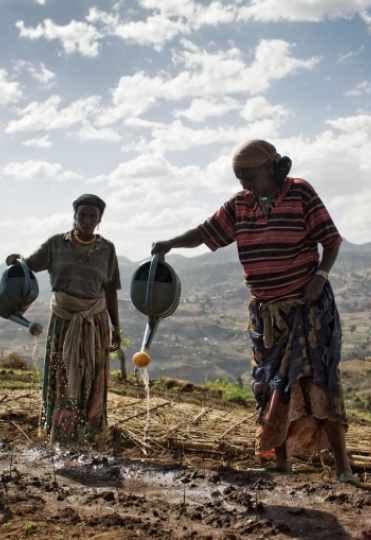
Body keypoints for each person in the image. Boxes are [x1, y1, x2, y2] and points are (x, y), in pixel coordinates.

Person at [151, 140, 359, 485]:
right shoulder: (239, 205)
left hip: (307, 309)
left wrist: (320, 277)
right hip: (267, 316)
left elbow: (332, 241)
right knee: (271, 386)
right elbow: (205, 233)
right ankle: (280, 462)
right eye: (238, 177)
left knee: (320, 382)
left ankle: (343, 468)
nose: (243, 183)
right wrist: (170, 243)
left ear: (271, 169)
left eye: (248, 175)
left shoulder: (301, 193)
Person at [6, 194, 121, 445]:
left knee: (93, 373)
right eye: (83, 215)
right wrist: (16, 261)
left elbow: (111, 290)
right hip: (64, 321)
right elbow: (28, 267)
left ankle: (89, 432)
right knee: (62, 373)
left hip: (95, 322)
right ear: (74, 216)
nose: (87, 220)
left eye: (93, 216)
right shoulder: (55, 244)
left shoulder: (107, 249)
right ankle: (61, 431)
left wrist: (116, 327)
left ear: (100, 219)